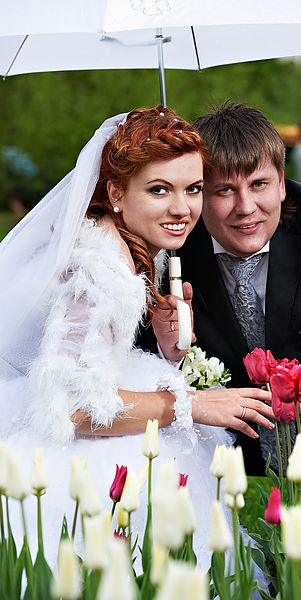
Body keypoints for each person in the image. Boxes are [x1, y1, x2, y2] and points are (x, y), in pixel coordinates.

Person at [0, 105, 274, 568]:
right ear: (116, 192)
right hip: (77, 469)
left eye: (192, 189)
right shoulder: (99, 270)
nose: (181, 208)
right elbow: (72, 404)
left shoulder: (132, 245)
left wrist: (168, 347)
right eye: (159, 190)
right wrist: (192, 405)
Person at [148, 103, 301, 498]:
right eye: (224, 190)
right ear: (195, 194)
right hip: (221, 431)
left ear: (282, 183)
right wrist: (168, 350)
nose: (246, 208)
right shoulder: (168, 246)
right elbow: (127, 363)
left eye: (259, 185)